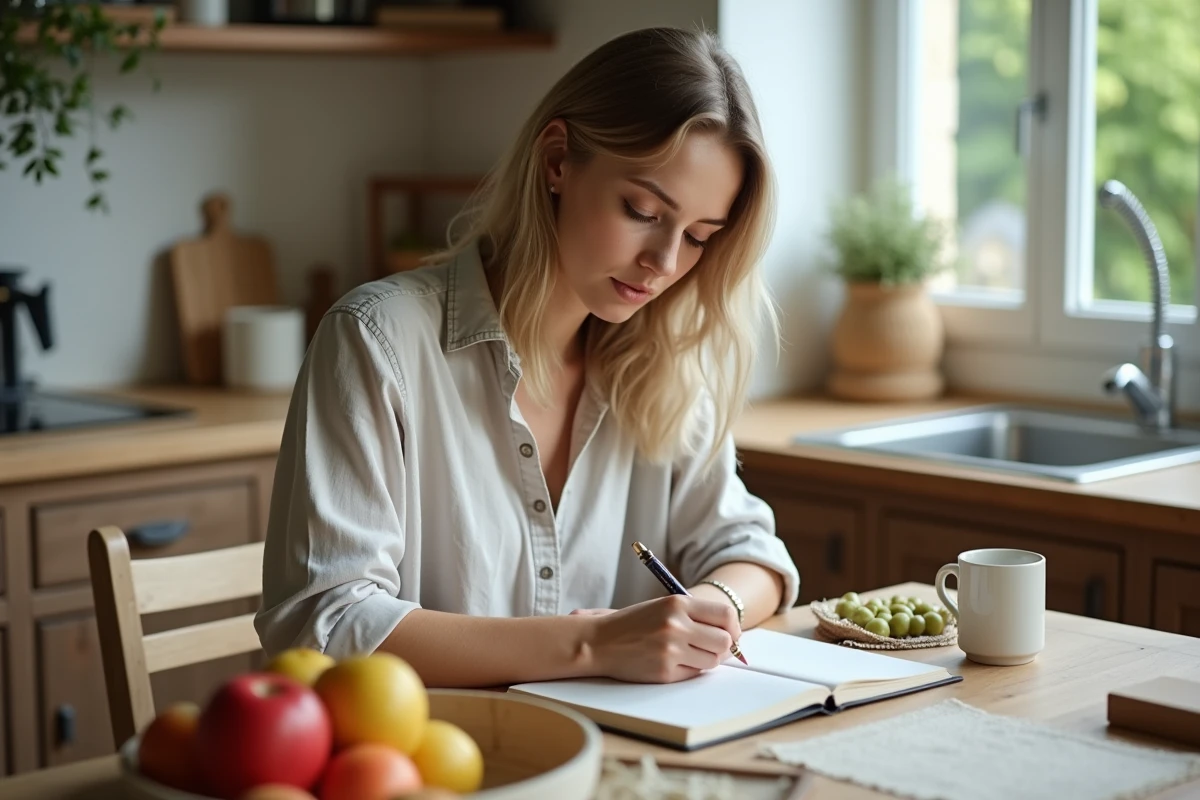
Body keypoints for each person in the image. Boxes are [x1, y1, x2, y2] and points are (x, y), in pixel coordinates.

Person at [255, 26, 800, 688]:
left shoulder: (663, 363)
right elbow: (325, 623)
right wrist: (592, 644)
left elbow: (750, 553)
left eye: (698, 237)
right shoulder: (377, 342)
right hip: (419, 770)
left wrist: (721, 604)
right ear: (557, 160)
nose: (664, 263)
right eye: (642, 209)